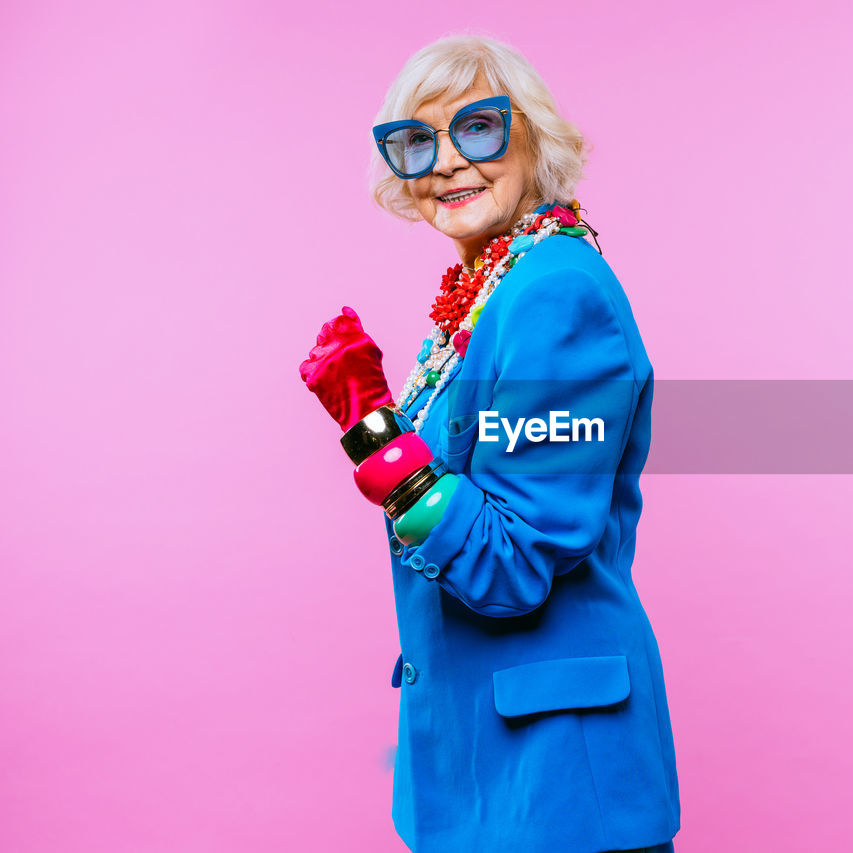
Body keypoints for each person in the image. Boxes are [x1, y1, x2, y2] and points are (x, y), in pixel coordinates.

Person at [299, 34, 680, 853]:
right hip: (493, 771)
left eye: (477, 128)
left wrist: (375, 432)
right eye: (415, 141)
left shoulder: (556, 295)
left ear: (534, 137)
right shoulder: (497, 289)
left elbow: (514, 563)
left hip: (558, 792)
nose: (444, 162)